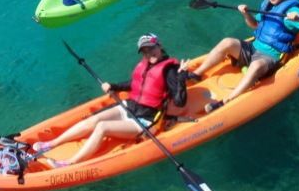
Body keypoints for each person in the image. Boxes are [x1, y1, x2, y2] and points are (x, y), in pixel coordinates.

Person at [32, 34, 189, 167]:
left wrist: (181, 79)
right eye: (145, 51)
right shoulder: (146, 64)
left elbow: (180, 101)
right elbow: (135, 84)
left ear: (159, 46)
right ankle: (51, 144)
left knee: (102, 127)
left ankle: (69, 163)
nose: (149, 54)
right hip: (130, 107)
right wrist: (114, 86)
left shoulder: (170, 71)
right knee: (94, 119)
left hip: (144, 121)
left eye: (152, 49)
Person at [187, 0, 299, 113]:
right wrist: (245, 14)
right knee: (227, 42)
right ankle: (196, 74)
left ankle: (226, 101)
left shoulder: (293, 10)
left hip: (269, 57)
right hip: (253, 48)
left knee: (255, 65)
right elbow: (254, 24)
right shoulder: (267, 5)